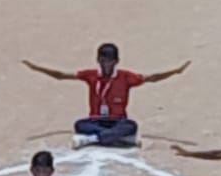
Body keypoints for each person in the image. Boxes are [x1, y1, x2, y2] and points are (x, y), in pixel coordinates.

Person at [22, 43, 190, 149]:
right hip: (95, 120)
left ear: (116, 61)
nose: (105, 64)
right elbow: (61, 75)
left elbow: (152, 78)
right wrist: (36, 68)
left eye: (109, 61)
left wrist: (175, 72)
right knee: (79, 124)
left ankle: (92, 139)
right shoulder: (91, 75)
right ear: (98, 60)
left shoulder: (125, 77)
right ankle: (123, 139)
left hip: (118, 121)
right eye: (102, 60)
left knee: (131, 126)